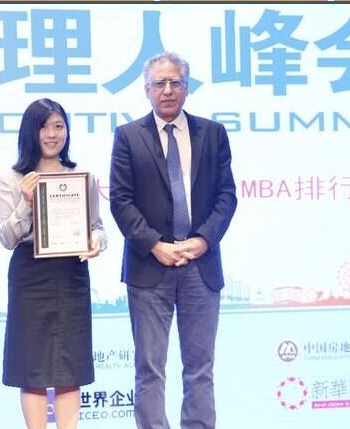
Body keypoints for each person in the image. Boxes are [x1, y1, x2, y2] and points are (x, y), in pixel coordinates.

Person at [109, 52, 237, 429]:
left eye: (175, 82)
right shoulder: (128, 136)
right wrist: (154, 244)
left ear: (186, 87)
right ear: (146, 89)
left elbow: (226, 196)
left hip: (201, 266)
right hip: (149, 266)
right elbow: (120, 200)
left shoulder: (212, 134)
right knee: (149, 368)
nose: (167, 90)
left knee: (200, 368)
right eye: (159, 83)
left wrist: (203, 240)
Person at [0, 98, 107, 429]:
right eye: (44, 127)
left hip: (71, 274)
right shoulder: (12, 179)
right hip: (30, 275)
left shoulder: (81, 176)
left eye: (59, 126)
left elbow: (97, 227)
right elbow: (6, 238)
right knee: (33, 367)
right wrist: (27, 202)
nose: (52, 134)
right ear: (30, 131)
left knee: (70, 365)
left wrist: (96, 242)